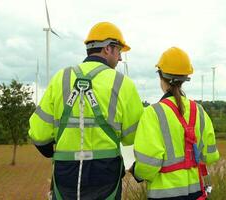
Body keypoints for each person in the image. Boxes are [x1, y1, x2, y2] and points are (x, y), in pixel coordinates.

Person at [29, 22, 144, 200]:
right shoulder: (123, 83)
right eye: (119, 51)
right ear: (108, 48)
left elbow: (39, 134)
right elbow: (133, 136)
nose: (120, 58)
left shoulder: (61, 78)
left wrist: (55, 151)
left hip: (66, 173)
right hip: (105, 174)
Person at [131, 47, 220, 199]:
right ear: (185, 78)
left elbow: (148, 165)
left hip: (164, 195)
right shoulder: (199, 111)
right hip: (196, 193)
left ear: (161, 76)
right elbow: (210, 156)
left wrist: (136, 172)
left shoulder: (153, 113)